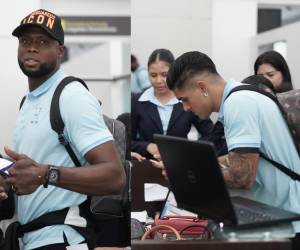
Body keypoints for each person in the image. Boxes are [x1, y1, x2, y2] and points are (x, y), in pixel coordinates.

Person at [0, 9, 125, 250]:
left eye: (43, 41)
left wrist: (44, 174)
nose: (32, 48)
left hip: (62, 237)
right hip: (30, 238)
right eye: (25, 41)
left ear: (60, 51)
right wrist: (8, 182)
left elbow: (115, 176)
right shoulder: (29, 101)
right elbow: (33, 172)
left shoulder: (72, 96)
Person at [166, 51, 300, 249]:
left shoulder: (238, 104)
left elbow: (242, 176)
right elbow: (245, 158)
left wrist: (189, 175)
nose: (185, 108)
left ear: (202, 87)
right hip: (279, 220)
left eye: (184, 99)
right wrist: (185, 164)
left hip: (287, 225)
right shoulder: (243, 96)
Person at [131, 48, 214, 160]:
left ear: (173, 72)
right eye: (153, 75)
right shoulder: (138, 101)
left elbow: (210, 134)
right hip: (148, 168)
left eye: (164, 74)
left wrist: (188, 149)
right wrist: (146, 146)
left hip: (182, 165)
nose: (159, 81)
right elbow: (127, 141)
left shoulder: (187, 99)